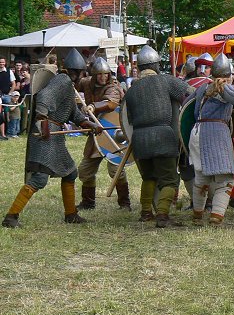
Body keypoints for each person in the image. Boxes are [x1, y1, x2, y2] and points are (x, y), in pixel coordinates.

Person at [2, 49, 101, 228]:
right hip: (45, 135)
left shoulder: (67, 85)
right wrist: (42, 120)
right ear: (76, 71)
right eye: (81, 73)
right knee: (39, 178)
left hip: (54, 138)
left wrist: (89, 124)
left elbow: (73, 114)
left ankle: (71, 214)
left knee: (70, 172)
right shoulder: (62, 80)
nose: (82, 76)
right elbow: (44, 98)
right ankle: (11, 217)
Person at [189, 54, 234, 226]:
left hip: (197, 131)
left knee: (201, 178)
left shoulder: (202, 88)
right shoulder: (222, 86)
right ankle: (216, 216)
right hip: (214, 134)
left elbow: (189, 108)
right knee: (226, 179)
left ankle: (197, 215)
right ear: (228, 75)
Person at [125, 45, 195, 227]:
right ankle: (162, 215)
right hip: (162, 135)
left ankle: (146, 212)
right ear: (156, 65)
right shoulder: (166, 81)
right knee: (170, 179)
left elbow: (129, 119)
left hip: (140, 138)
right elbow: (191, 94)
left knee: (149, 177)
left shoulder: (131, 90)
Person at [75, 57, 129, 210]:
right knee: (85, 170)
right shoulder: (88, 83)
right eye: (99, 74)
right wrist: (74, 72)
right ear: (94, 74)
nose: (103, 77)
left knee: (116, 170)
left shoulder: (113, 87)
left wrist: (93, 106)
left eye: (105, 74)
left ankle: (125, 203)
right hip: (96, 133)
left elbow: (111, 103)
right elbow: (76, 84)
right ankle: (88, 202)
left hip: (113, 132)